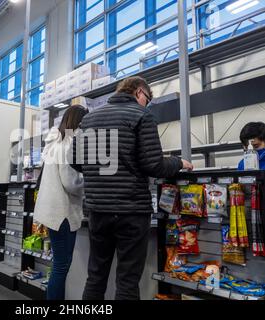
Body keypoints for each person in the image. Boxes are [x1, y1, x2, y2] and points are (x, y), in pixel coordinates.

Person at [71, 76, 193, 300]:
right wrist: (178, 162)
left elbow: (75, 160)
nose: (148, 103)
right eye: (148, 98)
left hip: (97, 209)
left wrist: (97, 171)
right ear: (139, 92)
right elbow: (153, 165)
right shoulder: (141, 115)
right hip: (131, 209)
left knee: (96, 275)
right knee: (127, 280)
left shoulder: (88, 119)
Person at [34, 105, 89, 300]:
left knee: (58, 265)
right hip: (62, 213)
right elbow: (71, 183)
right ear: (79, 123)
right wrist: (88, 182)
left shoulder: (55, 142)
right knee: (61, 267)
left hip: (52, 211)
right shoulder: (68, 145)